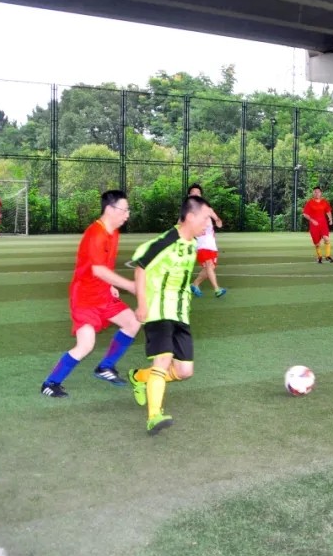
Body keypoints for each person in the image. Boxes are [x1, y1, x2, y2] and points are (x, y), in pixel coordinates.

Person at [125, 196, 214, 435]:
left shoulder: (192, 244)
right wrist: (142, 304)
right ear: (191, 217)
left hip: (180, 313)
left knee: (184, 372)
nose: (208, 223)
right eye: (206, 218)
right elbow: (140, 267)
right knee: (163, 361)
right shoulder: (166, 241)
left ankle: (138, 377)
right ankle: (154, 416)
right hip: (158, 310)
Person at [40, 190, 141, 398]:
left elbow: (104, 266)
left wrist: (110, 285)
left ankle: (105, 367)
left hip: (103, 294)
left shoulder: (113, 233)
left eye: (128, 210)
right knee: (86, 345)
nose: (127, 214)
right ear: (110, 209)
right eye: (124, 210)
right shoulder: (96, 234)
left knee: (132, 323)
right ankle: (50, 383)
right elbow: (98, 270)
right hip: (85, 298)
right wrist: (130, 286)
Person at [185, 183, 227, 298]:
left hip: (211, 244)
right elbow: (181, 225)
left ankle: (195, 284)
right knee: (209, 265)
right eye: (193, 193)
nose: (196, 194)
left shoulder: (207, 209)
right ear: (189, 196)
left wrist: (218, 222)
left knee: (210, 268)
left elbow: (217, 219)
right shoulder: (188, 213)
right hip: (201, 245)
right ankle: (217, 289)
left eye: (198, 193)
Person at [303, 186, 333, 263]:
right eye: (315, 192)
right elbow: (305, 214)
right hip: (314, 226)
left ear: (321, 193)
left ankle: (328, 256)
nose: (317, 193)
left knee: (326, 239)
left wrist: (330, 219)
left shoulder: (324, 202)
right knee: (317, 244)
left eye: (318, 192)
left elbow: (328, 211)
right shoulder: (309, 203)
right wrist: (312, 220)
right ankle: (319, 256)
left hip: (323, 224)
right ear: (313, 193)